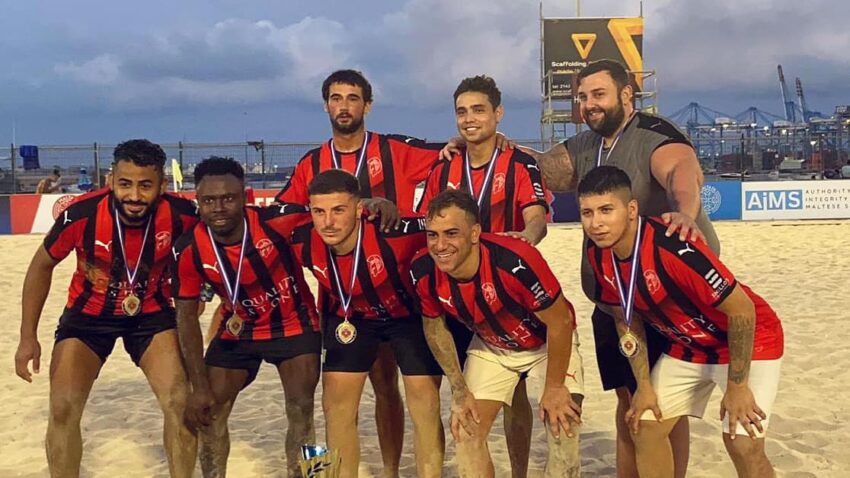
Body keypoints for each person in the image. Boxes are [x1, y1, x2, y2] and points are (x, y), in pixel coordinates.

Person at [518, 58, 720, 477]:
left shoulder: (653, 135)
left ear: (626, 94)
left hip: (667, 299)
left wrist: (684, 211)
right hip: (614, 299)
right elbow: (544, 167)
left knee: (663, 407)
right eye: (581, 97)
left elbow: (683, 170)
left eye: (598, 94)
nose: (587, 105)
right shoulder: (589, 144)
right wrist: (497, 147)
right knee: (628, 400)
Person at [274, 69, 447, 475]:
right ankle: (328, 473)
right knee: (331, 403)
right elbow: (276, 219)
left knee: (397, 392)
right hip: (345, 305)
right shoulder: (310, 165)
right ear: (326, 105)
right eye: (336, 98)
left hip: (402, 299)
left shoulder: (394, 150)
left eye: (352, 98)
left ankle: (390, 470)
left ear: (367, 105)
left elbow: (453, 153)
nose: (344, 106)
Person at [578, 166, 783, 478]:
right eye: (587, 213)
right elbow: (625, 319)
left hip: (749, 340)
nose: (596, 223)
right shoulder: (598, 252)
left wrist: (738, 386)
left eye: (606, 210)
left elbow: (742, 311)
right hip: (688, 346)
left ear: (631, 209)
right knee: (644, 423)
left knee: (741, 442)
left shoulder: (674, 247)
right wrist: (644, 386)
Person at [14, 139, 199, 477]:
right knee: (63, 408)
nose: (134, 195)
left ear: (163, 185)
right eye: (125, 184)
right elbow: (40, 266)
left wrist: (199, 298)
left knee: (179, 402)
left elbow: (210, 257)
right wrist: (28, 337)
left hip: (152, 316)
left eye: (146, 186)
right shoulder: (81, 214)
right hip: (87, 318)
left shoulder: (182, 214)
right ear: (111, 180)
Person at [419, 75, 552, 476]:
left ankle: (519, 472)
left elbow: (537, 218)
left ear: (498, 113)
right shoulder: (444, 164)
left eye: (478, 109)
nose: (469, 118)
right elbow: (427, 221)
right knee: (459, 395)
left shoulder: (519, 161)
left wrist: (526, 237)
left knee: (518, 397)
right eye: (462, 111)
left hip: (507, 292)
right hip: (455, 293)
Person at [283, 169, 444, 477]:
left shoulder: (394, 230)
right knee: (335, 409)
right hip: (352, 319)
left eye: (339, 210)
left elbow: (451, 229)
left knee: (424, 404)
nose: (328, 221)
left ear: (358, 209)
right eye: (319, 211)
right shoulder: (302, 239)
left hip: (407, 318)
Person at [413, 189, 584, 477]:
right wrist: (459, 390)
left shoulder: (515, 260)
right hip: (493, 346)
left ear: (475, 233)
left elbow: (560, 322)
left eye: (451, 233)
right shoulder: (423, 270)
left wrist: (554, 388)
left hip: (546, 342)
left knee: (562, 427)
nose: (440, 245)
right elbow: (434, 326)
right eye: (432, 234)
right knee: (466, 431)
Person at [171, 157, 321, 478]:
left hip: (294, 324)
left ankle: (313, 475)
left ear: (246, 197)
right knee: (209, 413)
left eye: (228, 198)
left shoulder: (275, 223)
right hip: (238, 329)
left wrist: (367, 202)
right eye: (209, 200)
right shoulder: (189, 249)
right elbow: (185, 319)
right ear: (197, 202)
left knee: (302, 411)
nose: (219, 207)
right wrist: (198, 386)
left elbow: (331, 212)